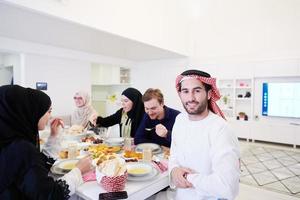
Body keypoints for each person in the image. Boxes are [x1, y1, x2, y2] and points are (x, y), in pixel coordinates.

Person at [0, 85, 92, 199]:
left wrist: (53, 136)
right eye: (48, 111)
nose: (50, 116)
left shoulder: (9, 141)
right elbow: (51, 194)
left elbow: (34, 167)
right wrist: (78, 170)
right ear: (31, 111)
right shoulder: (20, 148)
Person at [168, 69, 240, 199]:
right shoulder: (180, 120)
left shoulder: (220, 129)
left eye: (197, 90)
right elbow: (174, 155)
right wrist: (174, 170)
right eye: (185, 91)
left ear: (208, 94)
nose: (190, 98)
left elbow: (227, 187)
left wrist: (187, 177)